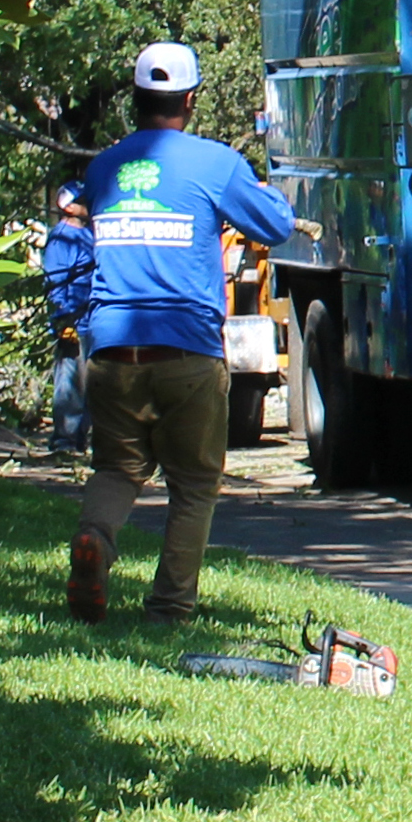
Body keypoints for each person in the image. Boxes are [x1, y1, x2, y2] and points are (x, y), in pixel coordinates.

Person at [67, 42, 296, 625]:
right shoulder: (214, 164)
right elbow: (275, 225)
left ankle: (95, 539)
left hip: (111, 349)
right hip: (187, 351)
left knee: (117, 470)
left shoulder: (104, 167)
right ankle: (169, 607)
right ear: (190, 100)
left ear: (135, 99)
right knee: (193, 484)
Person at [40, 180, 95, 454]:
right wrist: (63, 319)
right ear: (69, 207)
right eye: (83, 201)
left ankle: (82, 439)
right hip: (73, 320)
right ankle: (64, 440)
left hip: (94, 319)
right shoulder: (61, 238)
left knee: (92, 384)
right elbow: (55, 281)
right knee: (70, 383)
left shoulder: (90, 235)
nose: (88, 205)